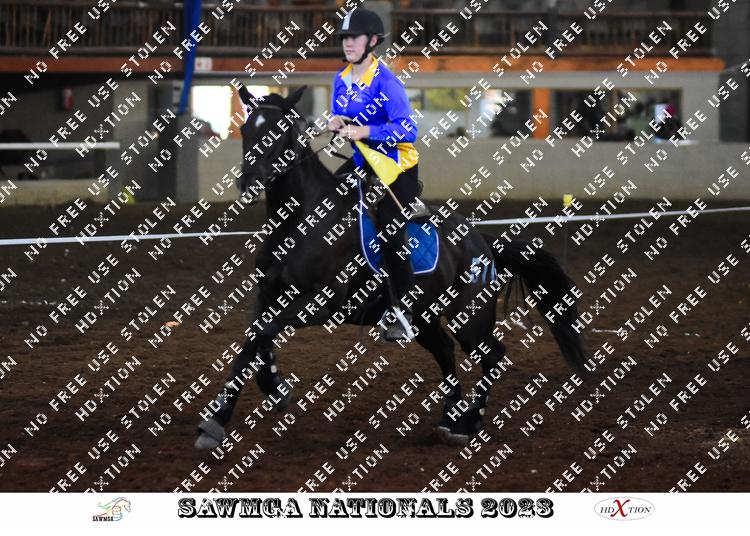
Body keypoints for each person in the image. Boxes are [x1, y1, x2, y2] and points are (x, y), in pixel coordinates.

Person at [326, 7, 420, 342]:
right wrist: (335, 122)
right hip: (362, 164)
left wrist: (366, 131)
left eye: (354, 37)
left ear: (373, 41)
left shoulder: (387, 82)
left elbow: (409, 130)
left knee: (391, 233)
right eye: (345, 37)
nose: (348, 43)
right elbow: (342, 116)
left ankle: (404, 313)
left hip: (396, 168)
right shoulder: (340, 80)